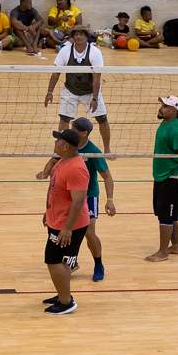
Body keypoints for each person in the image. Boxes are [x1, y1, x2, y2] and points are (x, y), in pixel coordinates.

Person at [37, 117, 115, 283]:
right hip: (68, 194)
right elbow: (52, 161)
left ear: (84, 133)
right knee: (69, 228)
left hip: (89, 195)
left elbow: (107, 176)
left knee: (88, 232)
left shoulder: (93, 151)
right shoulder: (67, 148)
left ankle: (98, 264)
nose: (71, 130)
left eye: (75, 128)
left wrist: (109, 200)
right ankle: (71, 260)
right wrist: (45, 172)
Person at [41, 128, 90, 315]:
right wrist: (48, 211)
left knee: (52, 260)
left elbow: (78, 202)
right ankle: (63, 293)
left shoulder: (76, 168)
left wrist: (68, 228)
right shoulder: (63, 161)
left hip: (69, 224)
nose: (54, 143)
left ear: (65, 145)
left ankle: (66, 301)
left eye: (57, 141)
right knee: (61, 260)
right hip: (58, 219)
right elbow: (57, 191)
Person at [46, 25, 112, 154]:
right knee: (64, 119)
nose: (78, 36)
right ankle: (62, 148)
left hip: (90, 91)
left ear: (87, 37)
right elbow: (56, 72)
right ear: (72, 37)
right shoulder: (65, 51)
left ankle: (107, 149)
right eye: (76, 34)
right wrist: (49, 92)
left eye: (81, 34)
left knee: (102, 118)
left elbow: (96, 77)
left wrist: (94, 98)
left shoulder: (95, 52)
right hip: (71, 89)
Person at [146, 96, 178, 263]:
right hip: (163, 175)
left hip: (174, 177)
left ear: (174, 111)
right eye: (162, 105)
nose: (161, 108)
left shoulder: (176, 130)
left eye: (165, 106)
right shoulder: (165, 123)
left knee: (165, 216)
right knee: (167, 214)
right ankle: (176, 245)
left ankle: (163, 251)